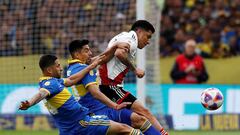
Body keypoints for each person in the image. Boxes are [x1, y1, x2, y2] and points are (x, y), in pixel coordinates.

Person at [19, 54, 144, 135]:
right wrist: (29, 103)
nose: (61, 68)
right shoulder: (49, 85)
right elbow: (41, 94)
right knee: (125, 129)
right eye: (57, 66)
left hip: (66, 131)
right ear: (49, 70)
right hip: (82, 124)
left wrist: (90, 67)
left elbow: (72, 80)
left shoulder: (54, 82)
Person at [67, 39, 162, 135]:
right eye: (86, 51)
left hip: (103, 108)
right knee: (128, 130)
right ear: (77, 54)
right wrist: (115, 105)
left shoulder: (75, 67)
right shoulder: (83, 68)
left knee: (138, 120)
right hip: (96, 112)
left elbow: (101, 57)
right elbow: (95, 93)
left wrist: (115, 46)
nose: (90, 53)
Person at [98, 20, 168, 134]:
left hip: (107, 86)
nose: (148, 41)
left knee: (133, 121)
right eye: (148, 36)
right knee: (144, 112)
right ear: (139, 31)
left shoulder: (123, 36)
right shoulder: (131, 39)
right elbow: (119, 53)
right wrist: (135, 69)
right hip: (110, 86)